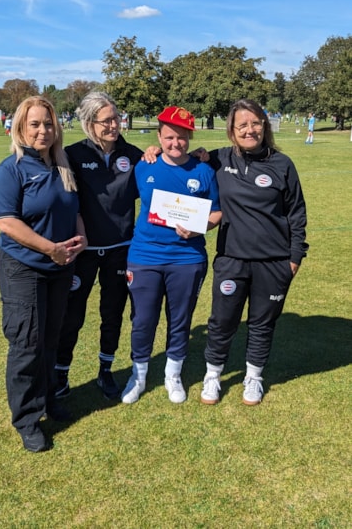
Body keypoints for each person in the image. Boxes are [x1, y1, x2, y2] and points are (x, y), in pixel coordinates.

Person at [0, 96, 87, 452]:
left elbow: (73, 208)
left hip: (59, 268)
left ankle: (47, 400)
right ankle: (27, 419)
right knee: (27, 344)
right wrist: (50, 248)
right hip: (25, 269)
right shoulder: (10, 169)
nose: (42, 130)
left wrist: (82, 235)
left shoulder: (62, 167)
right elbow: (7, 222)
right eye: (34, 124)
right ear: (20, 128)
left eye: (47, 124)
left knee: (50, 338)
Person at [199, 98, 308, 406]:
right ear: (232, 131)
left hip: (274, 263)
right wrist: (153, 151)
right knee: (222, 321)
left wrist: (294, 258)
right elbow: (179, 160)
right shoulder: (218, 159)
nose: (250, 130)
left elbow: (296, 213)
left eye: (255, 123)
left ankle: (254, 377)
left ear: (265, 126)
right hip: (232, 259)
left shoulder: (282, 164)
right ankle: (212, 375)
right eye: (242, 125)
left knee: (262, 323)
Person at [121, 106, 221, 405]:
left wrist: (199, 227)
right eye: (168, 138)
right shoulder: (144, 166)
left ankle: (172, 375)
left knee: (180, 319)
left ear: (190, 136)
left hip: (187, 258)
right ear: (159, 136)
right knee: (143, 320)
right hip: (145, 255)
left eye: (181, 138)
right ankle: (137, 376)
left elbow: (217, 212)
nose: (175, 144)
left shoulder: (204, 170)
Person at [55, 92, 144, 400]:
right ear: (89, 123)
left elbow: (158, 179)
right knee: (72, 314)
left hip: (121, 249)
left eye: (116, 118)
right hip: (82, 253)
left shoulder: (134, 154)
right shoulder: (71, 155)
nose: (113, 125)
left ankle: (105, 371)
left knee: (113, 312)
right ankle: (60, 373)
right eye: (106, 120)